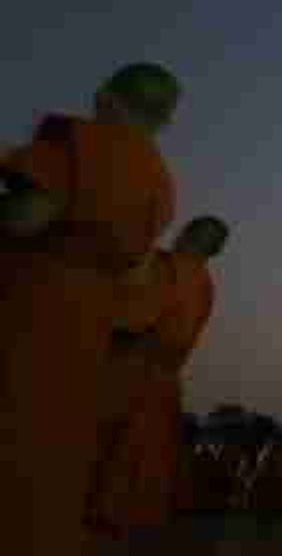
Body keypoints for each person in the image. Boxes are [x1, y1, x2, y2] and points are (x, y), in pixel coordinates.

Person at [0, 62, 179, 556]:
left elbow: (23, 220)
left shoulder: (80, 144)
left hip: (29, 303)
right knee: (55, 450)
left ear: (105, 97)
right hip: (90, 323)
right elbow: (139, 277)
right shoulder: (161, 184)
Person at [87, 217, 228, 545]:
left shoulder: (165, 267)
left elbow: (127, 319)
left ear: (188, 233)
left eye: (192, 232)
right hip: (161, 388)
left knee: (99, 480)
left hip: (124, 378)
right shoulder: (206, 286)